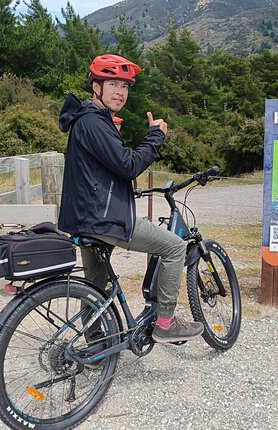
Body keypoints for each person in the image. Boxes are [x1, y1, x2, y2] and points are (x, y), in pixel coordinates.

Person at [57, 54, 204, 343]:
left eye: (125, 87)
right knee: (174, 247)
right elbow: (129, 165)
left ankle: (94, 343)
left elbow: (103, 172)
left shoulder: (91, 121)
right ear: (95, 86)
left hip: (84, 219)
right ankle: (165, 322)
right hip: (104, 219)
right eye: (113, 84)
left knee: (95, 285)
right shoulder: (93, 122)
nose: (120, 92)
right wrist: (155, 137)